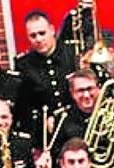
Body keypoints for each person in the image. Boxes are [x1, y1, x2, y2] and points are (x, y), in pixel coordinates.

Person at [15, 10, 79, 139]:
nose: (38, 39)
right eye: (33, 36)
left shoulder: (73, 53)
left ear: (52, 30)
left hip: (78, 123)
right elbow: (25, 105)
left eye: (42, 33)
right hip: (47, 132)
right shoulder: (23, 64)